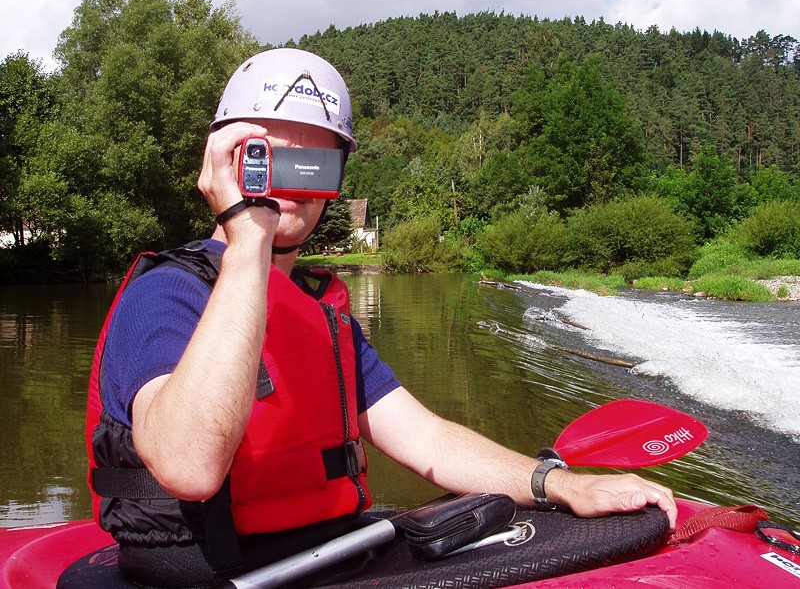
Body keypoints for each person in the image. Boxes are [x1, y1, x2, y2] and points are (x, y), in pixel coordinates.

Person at [84, 48, 677, 588]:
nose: (289, 185)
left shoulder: (324, 316)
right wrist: (247, 243)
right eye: (267, 157)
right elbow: (189, 467)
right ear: (223, 164)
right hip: (210, 573)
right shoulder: (165, 295)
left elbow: (425, 439)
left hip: (331, 553)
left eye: (312, 162)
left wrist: (558, 483)